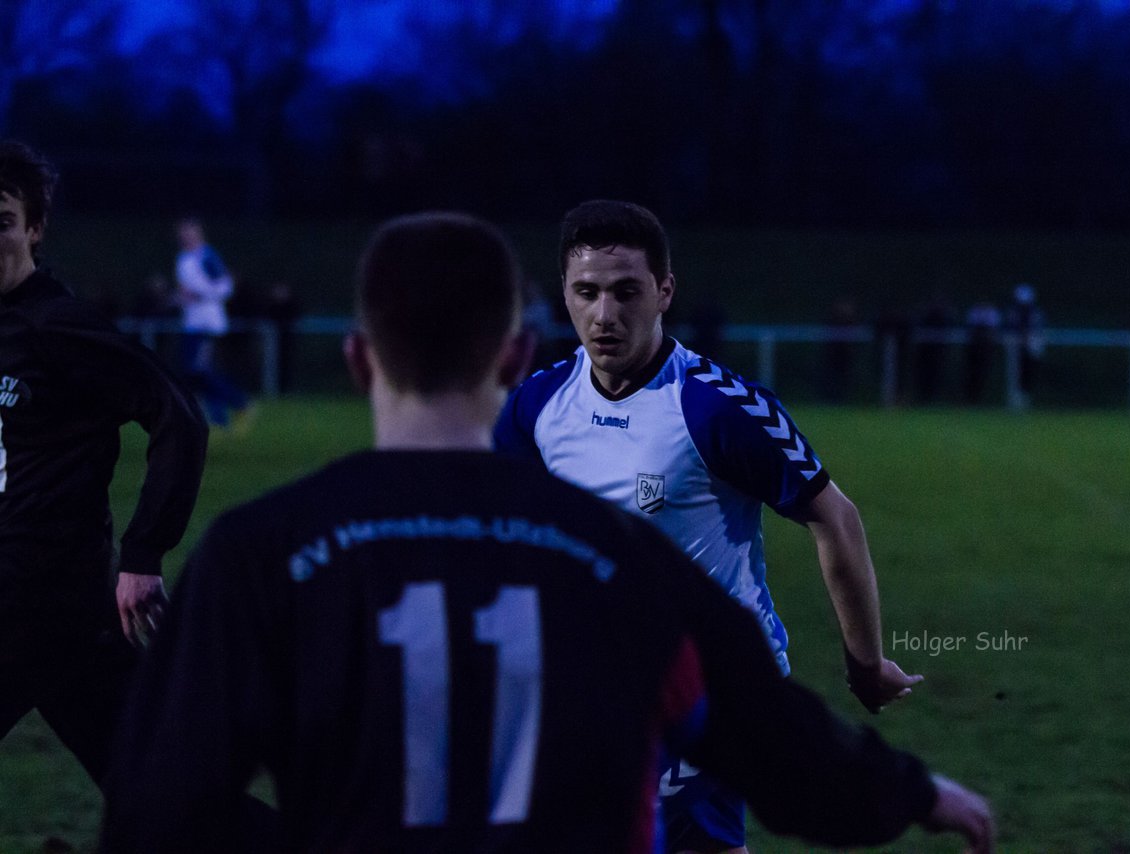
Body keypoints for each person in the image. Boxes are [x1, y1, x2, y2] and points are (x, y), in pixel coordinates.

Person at [101, 210, 991, 853]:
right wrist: (909, 793)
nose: (604, 315)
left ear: (357, 357)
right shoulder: (612, 555)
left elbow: (158, 811)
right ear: (518, 354)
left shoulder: (257, 555)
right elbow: (765, 735)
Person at [494, 200, 922, 854]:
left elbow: (835, 517)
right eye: (587, 293)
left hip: (712, 686)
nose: (605, 315)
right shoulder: (538, 404)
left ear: (664, 291)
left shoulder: (714, 406)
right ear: (564, 294)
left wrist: (865, 665)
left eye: (626, 292)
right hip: (594, 687)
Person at [0, 140, 207, 786]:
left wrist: (144, 555)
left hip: (37, 593)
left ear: (34, 229)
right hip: (65, 617)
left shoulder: (57, 327)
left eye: (1, 220)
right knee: (160, 791)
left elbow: (177, 415)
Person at [174, 216, 252, 428]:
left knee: (198, 371)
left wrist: (198, 294)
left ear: (199, 233)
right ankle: (220, 421)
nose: (186, 235)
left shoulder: (207, 256)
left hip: (208, 324)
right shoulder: (183, 258)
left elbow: (225, 287)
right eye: (183, 232)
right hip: (192, 323)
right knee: (200, 372)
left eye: (190, 231)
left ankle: (240, 402)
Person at [1005, 283, 1045, 410]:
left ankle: (1024, 400)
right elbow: (1010, 327)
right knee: (1014, 374)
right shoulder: (1013, 312)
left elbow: (1038, 329)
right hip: (1015, 347)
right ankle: (1014, 401)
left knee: (1028, 373)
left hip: (1030, 347)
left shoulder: (1035, 313)